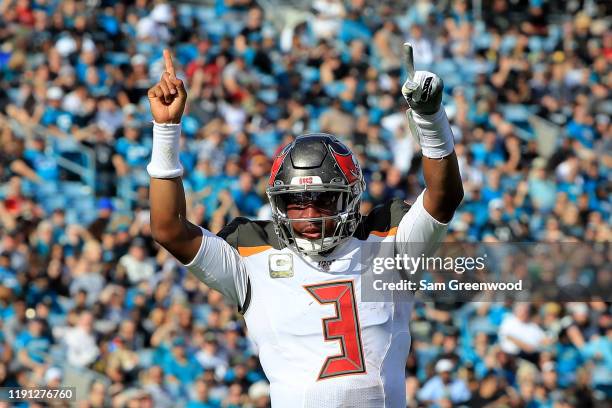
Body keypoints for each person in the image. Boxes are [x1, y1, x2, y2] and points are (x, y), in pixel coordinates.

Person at [146, 47, 462, 407]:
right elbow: (169, 230)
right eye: (295, 202)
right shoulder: (252, 253)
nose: (309, 215)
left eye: (323, 200)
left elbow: (443, 196)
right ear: (278, 204)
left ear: (349, 198)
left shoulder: (387, 240)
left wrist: (430, 117)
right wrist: (166, 130)